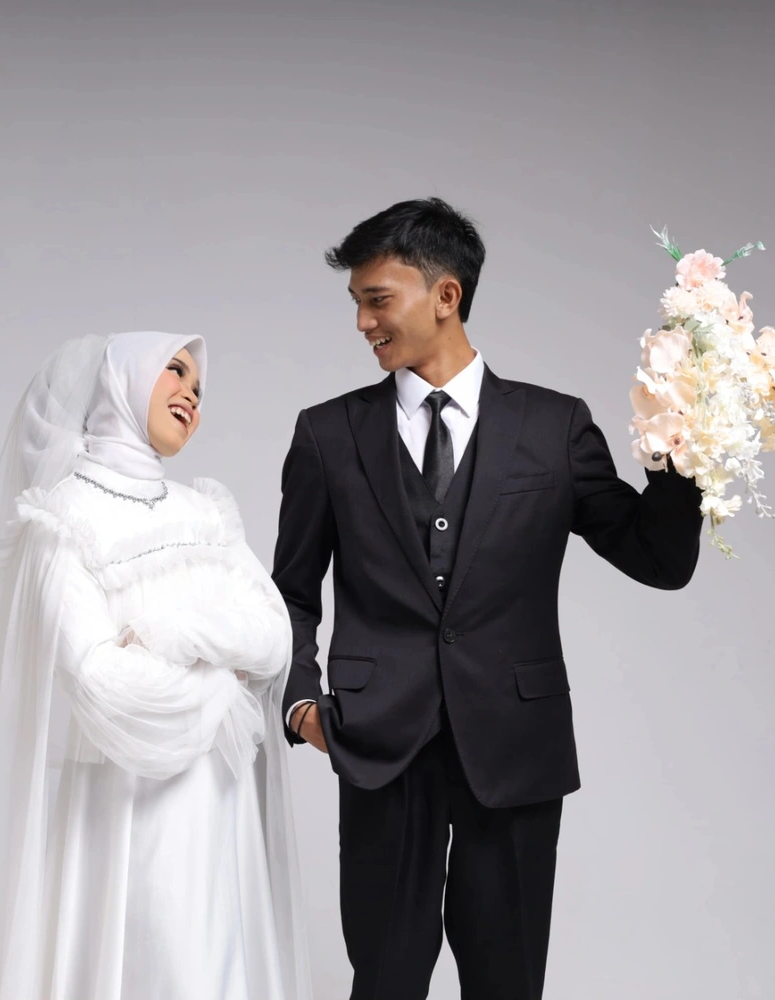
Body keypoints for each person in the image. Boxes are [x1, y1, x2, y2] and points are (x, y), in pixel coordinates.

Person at [273, 199, 704, 999]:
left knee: (507, 981)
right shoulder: (327, 435)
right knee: (386, 978)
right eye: (357, 304)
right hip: (377, 741)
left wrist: (681, 453)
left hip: (515, 743)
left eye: (377, 300)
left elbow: (658, 560)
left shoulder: (554, 428)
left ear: (447, 295)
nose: (363, 323)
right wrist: (301, 705)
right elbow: (292, 591)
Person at [0, 332, 310, 1000]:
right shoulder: (61, 519)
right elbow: (101, 681)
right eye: (174, 371)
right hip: (126, 808)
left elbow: (272, 638)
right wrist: (225, 675)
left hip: (221, 806)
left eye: (200, 387)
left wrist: (167, 635)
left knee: (219, 967)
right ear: (120, 380)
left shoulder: (204, 512)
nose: (191, 394)